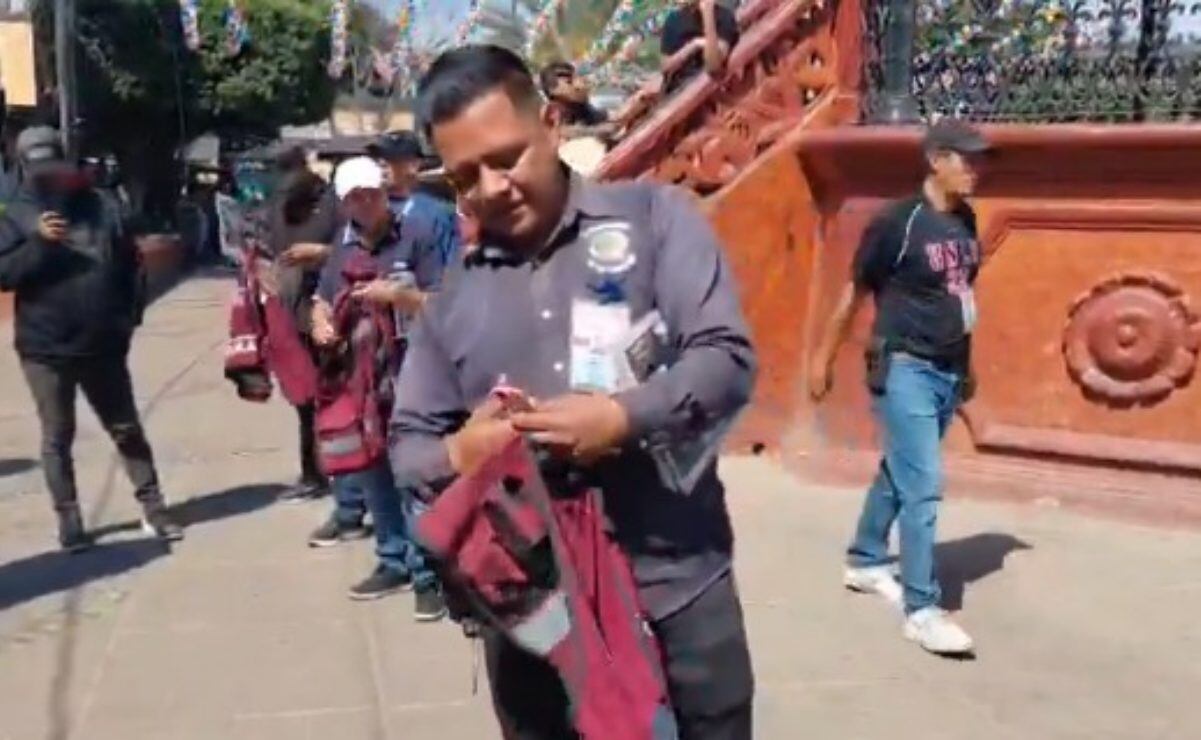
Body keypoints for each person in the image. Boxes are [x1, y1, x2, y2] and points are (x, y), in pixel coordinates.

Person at [394, 45, 756, 738]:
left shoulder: (656, 221)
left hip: (678, 584)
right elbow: (408, 449)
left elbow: (726, 360)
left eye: (506, 159)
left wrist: (622, 417)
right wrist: (463, 452)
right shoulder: (452, 301)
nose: (491, 188)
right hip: (535, 617)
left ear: (552, 124)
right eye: (466, 177)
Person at [808, 119, 991, 657]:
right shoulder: (898, 223)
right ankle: (922, 609)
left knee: (902, 470)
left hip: (948, 368)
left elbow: (960, 297)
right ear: (937, 160)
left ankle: (866, 558)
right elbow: (854, 290)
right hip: (905, 364)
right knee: (924, 484)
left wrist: (967, 366)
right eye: (967, 159)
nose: (976, 170)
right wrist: (822, 358)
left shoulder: (965, 220)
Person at [0, 126, 183, 550]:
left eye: (54, 164)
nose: (49, 175)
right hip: (45, 348)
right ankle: (70, 521)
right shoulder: (15, 215)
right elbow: (5, 274)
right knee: (57, 435)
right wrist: (39, 243)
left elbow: (131, 266)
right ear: (24, 167)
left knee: (125, 428)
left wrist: (127, 320)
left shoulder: (101, 205)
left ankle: (153, 507)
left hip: (103, 342)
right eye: (39, 168)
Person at [308, 156, 447, 619]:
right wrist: (321, 321)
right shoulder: (342, 245)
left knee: (414, 475)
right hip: (361, 379)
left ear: (385, 194)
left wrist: (400, 297)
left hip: (415, 374)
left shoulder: (417, 236)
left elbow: (448, 303)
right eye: (354, 197)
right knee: (372, 470)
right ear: (343, 202)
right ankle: (393, 560)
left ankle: (428, 574)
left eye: (371, 194)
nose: (365, 203)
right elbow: (321, 299)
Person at [265, 146, 341, 503]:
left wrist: (320, 254)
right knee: (318, 397)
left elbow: (356, 248)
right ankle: (324, 474)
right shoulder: (308, 201)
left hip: (315, 309)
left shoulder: (320, 203)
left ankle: (324, 474)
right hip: (308, 310)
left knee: (316, 398)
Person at [367, 130, 460, 267]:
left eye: (390, 158)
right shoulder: (362, 206)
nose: (381, 163)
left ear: (413, 165)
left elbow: (448, 267)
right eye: (376, 157)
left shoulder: (438, 214)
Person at [537, 61, 658, 142]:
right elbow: (604, 130)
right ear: (553, 91)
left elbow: (612, 117)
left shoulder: (581, 107)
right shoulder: (557, 120)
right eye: (569, 82)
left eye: (577, 78)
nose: (579, 85)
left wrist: (637, 101)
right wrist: (632, 108)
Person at [660, 0, 740, 95]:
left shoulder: (724, 17)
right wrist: (693, 45)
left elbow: (713, 66)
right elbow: (665, 67)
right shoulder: (673, 20)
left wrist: (708, 14)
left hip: (707, 88)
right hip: (677, 90)